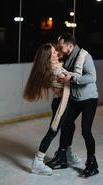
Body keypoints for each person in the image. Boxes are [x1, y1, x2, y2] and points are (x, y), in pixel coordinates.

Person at [23, 43, 84, 175]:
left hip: (63, 102)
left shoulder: (54, 67)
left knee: (69, 127)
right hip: (61, 104)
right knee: (53, 131)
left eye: (56, 51)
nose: (57, 53)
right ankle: (38, 162)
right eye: (54, 53)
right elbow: (73, 76)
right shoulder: (56, 70)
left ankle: (67, 152)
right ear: (48, 58)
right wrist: (82, 56)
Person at [46, 33, 99, 178]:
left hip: (89, 99)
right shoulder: (67, 57)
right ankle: (62, 157)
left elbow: (92, 77)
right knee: (66, 124)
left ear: (70, 46)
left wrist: (72, 78)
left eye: (61, 46)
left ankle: (92, 164)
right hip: (74, 99)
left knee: (86, 131)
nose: (59, 48)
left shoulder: (85, 56)